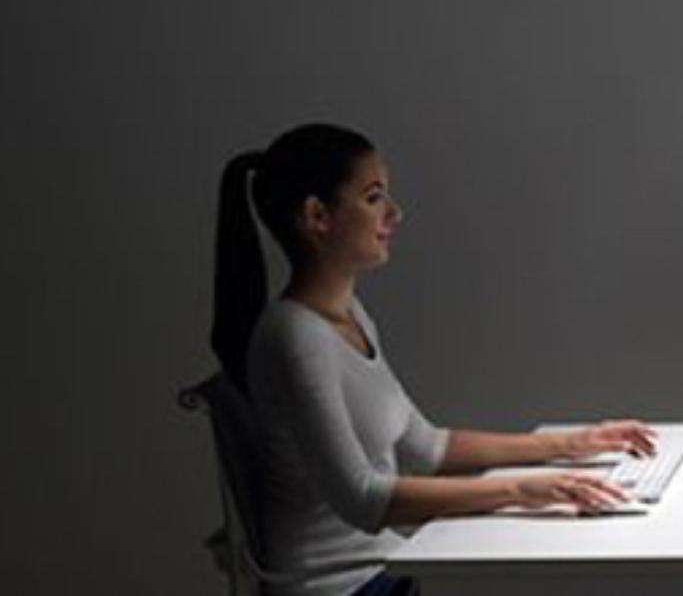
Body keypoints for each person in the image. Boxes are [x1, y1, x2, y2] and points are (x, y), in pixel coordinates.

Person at [211, 124, 659, 596]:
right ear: (317, 216)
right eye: (373, 197)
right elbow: (363, 500)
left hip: (383, 572)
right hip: (337, 587)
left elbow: (426, 447)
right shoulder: (293, 336)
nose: (394, 213)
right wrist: (525, 490)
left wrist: (575, 443)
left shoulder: (349, 317)